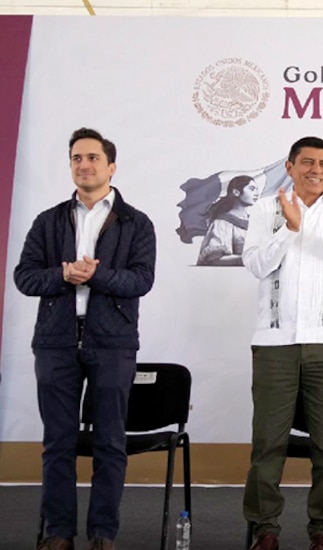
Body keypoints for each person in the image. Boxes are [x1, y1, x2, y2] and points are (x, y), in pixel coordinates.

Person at [14, 128, 157, 550]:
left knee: (110, 442)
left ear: (111, 167)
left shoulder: (136, 222)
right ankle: (58, 533)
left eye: (93, 158)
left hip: (112, 344)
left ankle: (102, 534)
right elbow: (25, 276)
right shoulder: (50, 219)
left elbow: (142, 280)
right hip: (55, 343)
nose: (84, 165)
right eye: (77, 158)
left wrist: (98, 275)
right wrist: (62, 273)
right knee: (57, 442)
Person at [241, 136, 323, 550]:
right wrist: (288, 230)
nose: (316, 170)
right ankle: (265, 529)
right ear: (291, 167)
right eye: (307, 162)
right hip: (275, 341)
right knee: (268, 442)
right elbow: (256, 265)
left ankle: (322, 531)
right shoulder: (264, 210)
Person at [196, 174, 259, 266]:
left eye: (257, 190)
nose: (256, 193)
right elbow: (214, 259)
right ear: (236, 192)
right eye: (252, 189)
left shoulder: (256, 221)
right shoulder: (222, 223)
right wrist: (248, 259)